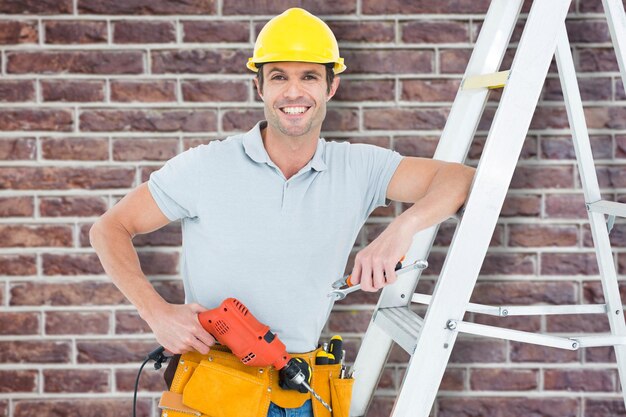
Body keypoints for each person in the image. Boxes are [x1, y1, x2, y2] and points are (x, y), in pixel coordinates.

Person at [90, 7, 474, 417]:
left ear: (331, 86)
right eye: (279, 77)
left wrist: (403, 227)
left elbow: (459, 180)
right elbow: (110, 227)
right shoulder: (207, 166)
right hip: (213, 390)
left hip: (300, 392)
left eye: (308, 76)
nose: (294, 93)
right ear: (259, 87)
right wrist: (157, 313)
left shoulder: (360, 168)